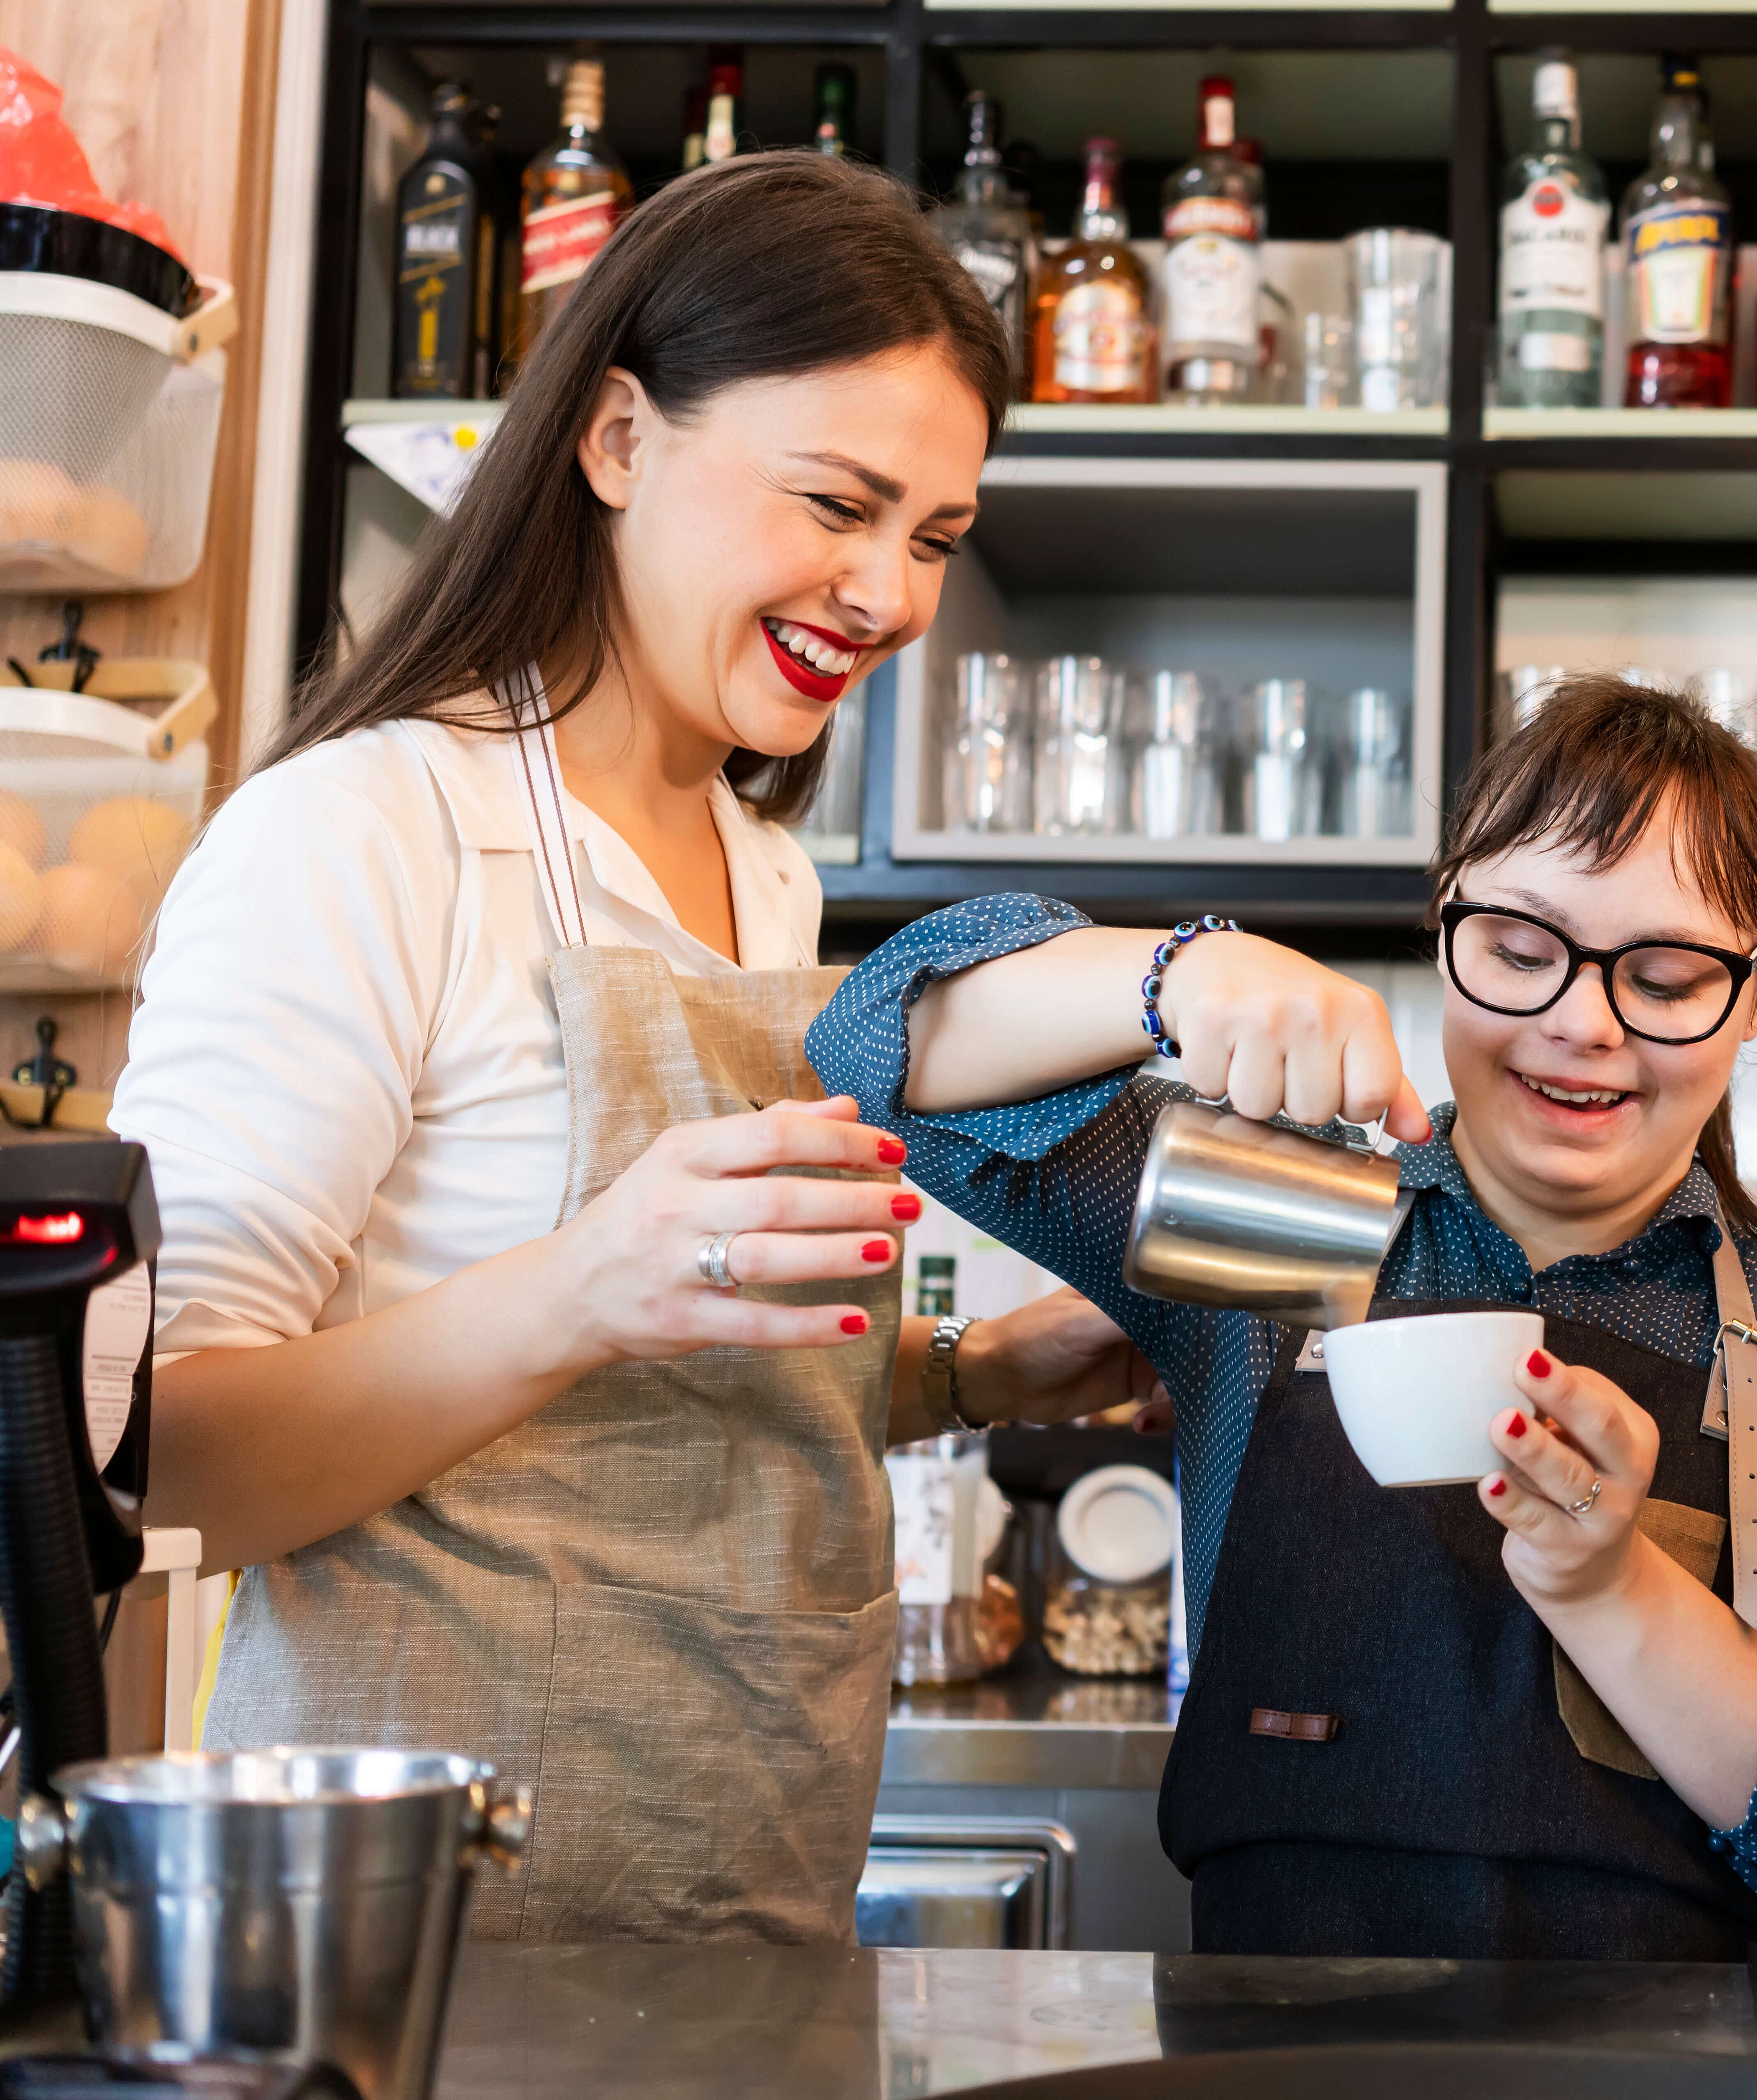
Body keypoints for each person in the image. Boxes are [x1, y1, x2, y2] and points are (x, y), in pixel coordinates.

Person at [109, 154, 1156, 1945]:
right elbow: (156, 1449)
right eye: (835, 502)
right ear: (615, 441)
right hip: (406, 1937)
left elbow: (675, 1390)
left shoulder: (762, 872)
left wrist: (971, 1373)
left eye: (932, 538)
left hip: (732, 1888)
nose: (889, 596)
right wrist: (589, 1279)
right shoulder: (365, 832)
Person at [810, 674, 1757, 1959]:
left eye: (1664, 975)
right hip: (1266, 2052)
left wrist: (1611, 1586)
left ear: (1756, 994)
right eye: (1522, 953)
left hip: (1672, 2067)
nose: (1582, 1025)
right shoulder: (1267, 1216)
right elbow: (869, 1046)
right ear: (1444, 933)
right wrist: (1178, 975)